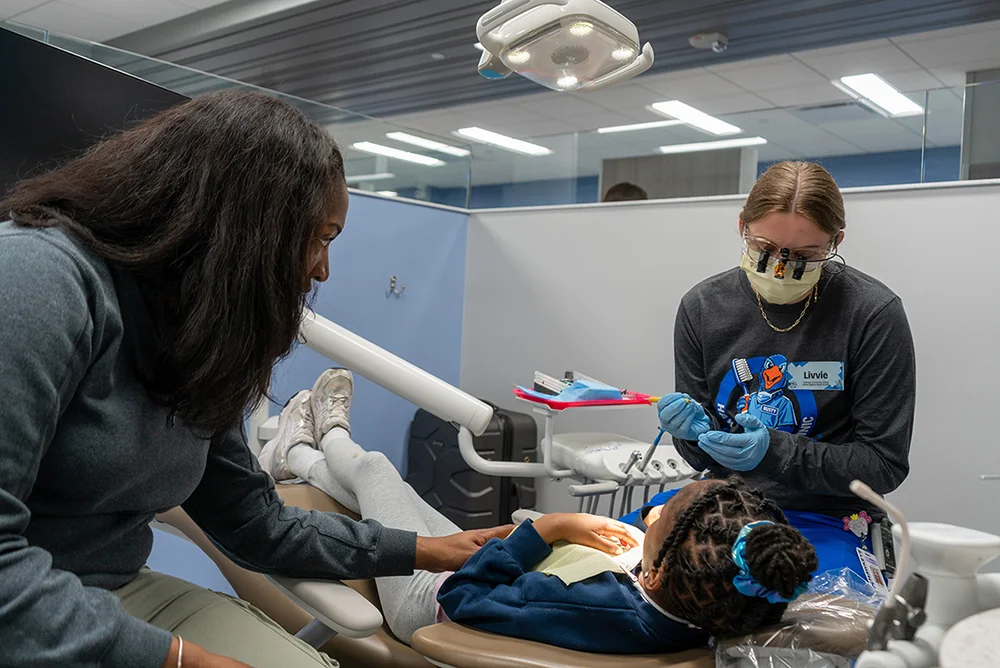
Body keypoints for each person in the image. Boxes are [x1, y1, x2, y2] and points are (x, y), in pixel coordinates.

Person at [0, 91, 509, 668]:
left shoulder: (188, 333)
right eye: (318, 237)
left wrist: (425, 550)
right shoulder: (37, 280)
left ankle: (309, 445)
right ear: (244, 224)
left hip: (114, 592)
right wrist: (184, 660)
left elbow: (253, 522)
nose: (321, 269)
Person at [259, 369, 818, 653]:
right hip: (489, 577)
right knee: (393, 494)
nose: (649, 513)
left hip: (431, 603)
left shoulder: (594, 610)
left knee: (378, 472)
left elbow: (464, 596)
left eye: (658, 517)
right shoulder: (714, 606)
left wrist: (550, 527)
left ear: (656, 572)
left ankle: (327, 434)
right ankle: (301, 454)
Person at [651, 161, 916, 580]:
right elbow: (698, 451)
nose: (779, 267)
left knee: (807, 620)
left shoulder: (872, 315)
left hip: (828, 516)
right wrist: (692, 434)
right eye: (765, 247)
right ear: (742, 227)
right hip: (726, 507)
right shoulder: (703, 308)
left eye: (804, 256)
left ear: (835, 243)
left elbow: (883, 463)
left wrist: (773, 451)